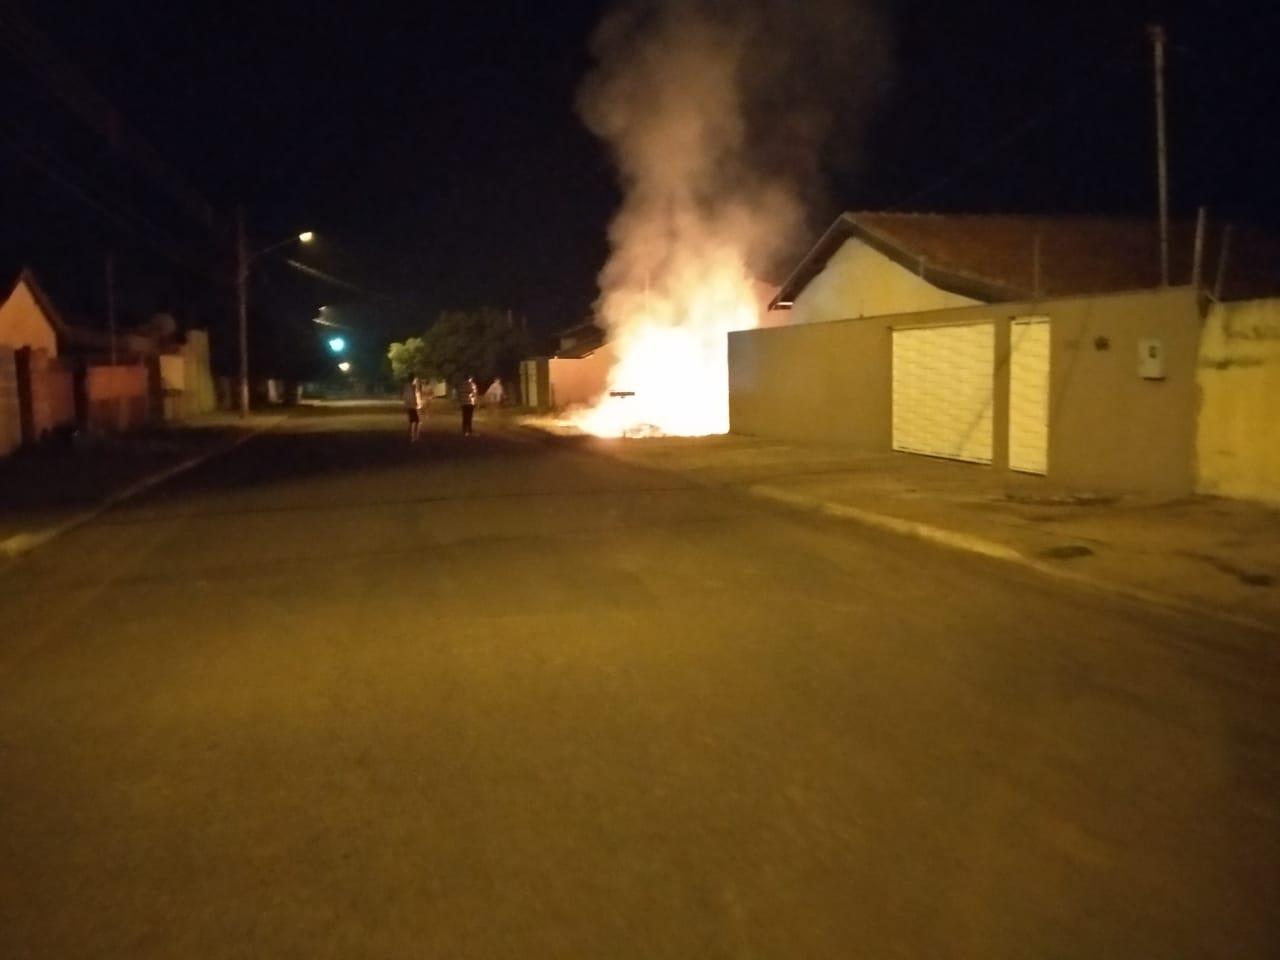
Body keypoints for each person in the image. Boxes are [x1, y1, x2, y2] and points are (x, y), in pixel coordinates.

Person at [402, 376, 424, 443]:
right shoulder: (412, 387)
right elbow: (414, 396)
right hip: (414, 406)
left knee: (413, 422)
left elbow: (405, 395)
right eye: (415, 380)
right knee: (416, 422)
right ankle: (414, 437)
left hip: (411, 406)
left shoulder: (407, 386)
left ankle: (413, 436)